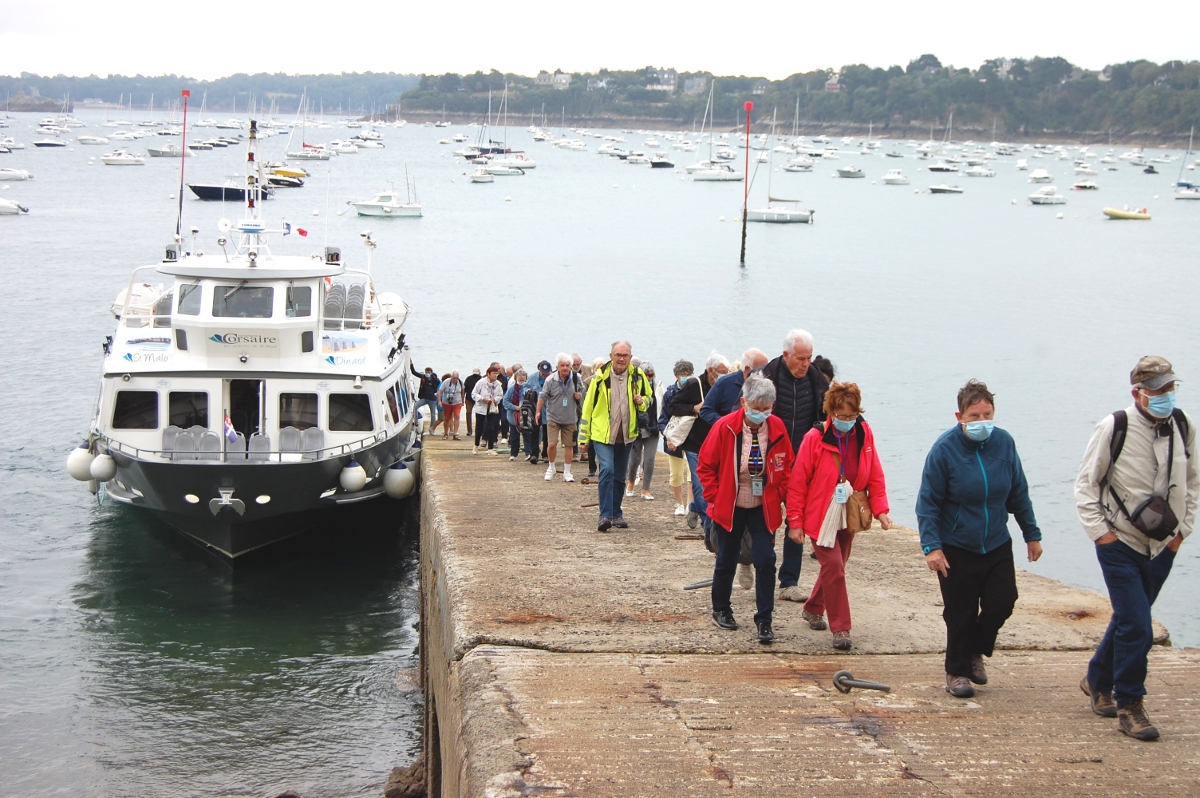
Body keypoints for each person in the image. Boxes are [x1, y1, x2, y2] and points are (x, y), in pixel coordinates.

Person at [1074, 356, 1195, 742]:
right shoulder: (1114, 427)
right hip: (1120, 542)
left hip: (1162, 545)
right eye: (1156, 389)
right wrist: (1101, 535)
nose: (1165, 395)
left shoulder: (1184, 425)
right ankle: (1130, 704)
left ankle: (1097, 679)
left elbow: (1193, 483)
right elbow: (1086, 485)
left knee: (1130, 618)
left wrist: (1181, 533)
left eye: (1169, 387)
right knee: (1139, 625)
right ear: (1137, 393)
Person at [916, 379, 1043, 699]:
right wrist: (932, 547)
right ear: (959, 416)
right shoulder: (944, 450)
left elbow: (1018, 492)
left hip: (996, 541)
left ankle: (976, 649)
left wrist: (1032, 534)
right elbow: (927, 503)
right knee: (960, 612)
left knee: (1003, 600)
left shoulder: (1004, 443)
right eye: (974, 416)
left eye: (987, 415)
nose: (982, 422)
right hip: (957, 544)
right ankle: (957, 671)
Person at [786, 382, 892, 650]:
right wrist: (795, 522)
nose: (846, 421)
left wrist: (881, 510)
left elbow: (875, 473)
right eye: (841, 416)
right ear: (830, 412)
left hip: (849, 511)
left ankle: (813, 607)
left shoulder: (864, 433)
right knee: (834, 567)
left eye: (851, 416)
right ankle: (841, 628)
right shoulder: (815, 438)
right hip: (820, 516)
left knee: (837, 567)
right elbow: (798, 483)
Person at [699, 374, 794, 644]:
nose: (761, 413)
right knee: (726, 558)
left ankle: (764, 620)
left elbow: (786, 465)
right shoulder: (725, 427)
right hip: (730, 503)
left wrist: (782, 494)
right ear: (743, 401)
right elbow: (705, 466)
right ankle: (721, 609)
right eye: (756, 407)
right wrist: (715, 496)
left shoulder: (776, 428)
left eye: (767, 409)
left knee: (766, 559)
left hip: (762, 504)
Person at [760, 329, 831, 597]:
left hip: (802, 464)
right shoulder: (765, 377)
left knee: (796, 521)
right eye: (801, 358)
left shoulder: (816, 381)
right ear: (786, 354)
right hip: (767, 462)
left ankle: (789, 581)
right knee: (764, 520)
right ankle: (758, 566)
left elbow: (827, 419)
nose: (805, 364)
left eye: (809, 358)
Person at [579, 341, 651, 531]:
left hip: (627, 435)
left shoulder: (638, 376)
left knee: (620, 475)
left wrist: (642, 401)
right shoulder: (600, 378)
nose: (621, 358)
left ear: (630, 357)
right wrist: (583, 439)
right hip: (602, 435)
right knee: (608, 470)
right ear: (611, 356)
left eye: (625, 355)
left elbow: (648, 398)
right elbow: (587, 410)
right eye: (618, 355)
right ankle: (604, 515)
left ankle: (616, 514)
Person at [671, 351, 731, 531]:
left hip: (717, 444)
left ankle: (696, 507)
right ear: (711, 370)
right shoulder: (693, 384)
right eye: (721, 371)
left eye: (727, 371)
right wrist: (693, 408)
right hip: (695, 444)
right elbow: (673, 405)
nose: (724, 375)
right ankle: (709, 526)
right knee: (699, 483)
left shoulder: (724, 385)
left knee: (716, 484)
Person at [538, 353, 583, 482]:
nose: (565, 368)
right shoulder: (550, 380)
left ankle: (567, 472)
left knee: (569, 445)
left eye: (567, 365)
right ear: (557, 366)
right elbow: (543, 396)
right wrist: (537, 412)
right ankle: (551, 467)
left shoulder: (576, 378)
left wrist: (579, 395)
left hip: (570, 417)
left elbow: (583, 391)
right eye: (562, 365)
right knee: (552, 444)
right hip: (553, 416)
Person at [659, 359, 694, 516]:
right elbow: (663, 419)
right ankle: (679, 503)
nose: (686, 377)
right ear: (676, 376)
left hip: (692, 438)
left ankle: (690, 503)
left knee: (693, 472)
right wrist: (668, 438)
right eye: (683, 375)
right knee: (676, 473)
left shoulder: (696, 391)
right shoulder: (670, 393)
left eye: (688, 374)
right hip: (674, 438)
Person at [626, 362, 660, 500]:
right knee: (634, 460)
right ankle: (631, 482)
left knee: (650, 459)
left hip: (653, 427)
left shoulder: (659, 387)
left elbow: (663, 406)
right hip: (638, 428)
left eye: (650, 375)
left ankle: (646, 489)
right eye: (645, 375)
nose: (648, 378)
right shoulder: (633, 386)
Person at [471, 363, 505, 455]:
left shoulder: (498, 384)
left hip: (492, 407)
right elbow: (474, 394)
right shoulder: (481, 382)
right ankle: (476, 446)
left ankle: (490, 448)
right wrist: (482, 399)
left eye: (496, 373)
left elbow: (500, 395)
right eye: (493, 373)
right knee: (479, 428)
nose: (495, 375)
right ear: (488, 374)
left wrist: (495, 400)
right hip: (481, 407)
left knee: (491, 427)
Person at [502, 369, 532, 461]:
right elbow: (505, 401)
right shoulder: (512, 389)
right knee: (514, 436)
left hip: (526, 415)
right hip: (513, 416)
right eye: (519, 380)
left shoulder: (529, 388)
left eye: (523, 380)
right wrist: (515, 407)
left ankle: (529, 453)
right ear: (515, 379)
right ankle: (513, 454)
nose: (521, 382)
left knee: (527, 435)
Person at [411, 364, 441, 433]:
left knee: (433, 414)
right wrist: (411, 364)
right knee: (415, 406)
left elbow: (439, 384)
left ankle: (432, 428)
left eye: (428, 372)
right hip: (424, 398)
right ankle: (416, 422)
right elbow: (414, 372)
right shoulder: (423, 377)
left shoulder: (435, 379)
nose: (427, 374)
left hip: (432, 399)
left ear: (431, 372)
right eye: (426, 372)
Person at [438, 370, 465, 441]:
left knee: (457, 416)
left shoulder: (460, 382)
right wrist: (439, 401)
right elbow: (439, 391)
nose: (455, 379)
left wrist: (462, 400)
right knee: (447, 418)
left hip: (457, 402)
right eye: (454, 378)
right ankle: (446, 433)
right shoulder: (446, 382)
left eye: (456, 378)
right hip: (447, 402)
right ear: (451, 377)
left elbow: (463, 391)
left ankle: (455, 433)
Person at [463, 368, 482, 437]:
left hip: (479, 399)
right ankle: (469, 430)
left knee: (479, 414)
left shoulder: (482, 379)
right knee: (468, 413)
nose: (475, 375)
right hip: (469, 399)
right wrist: (462, 399)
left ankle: (479, 430)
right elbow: (464, 389)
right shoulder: (468, 379)